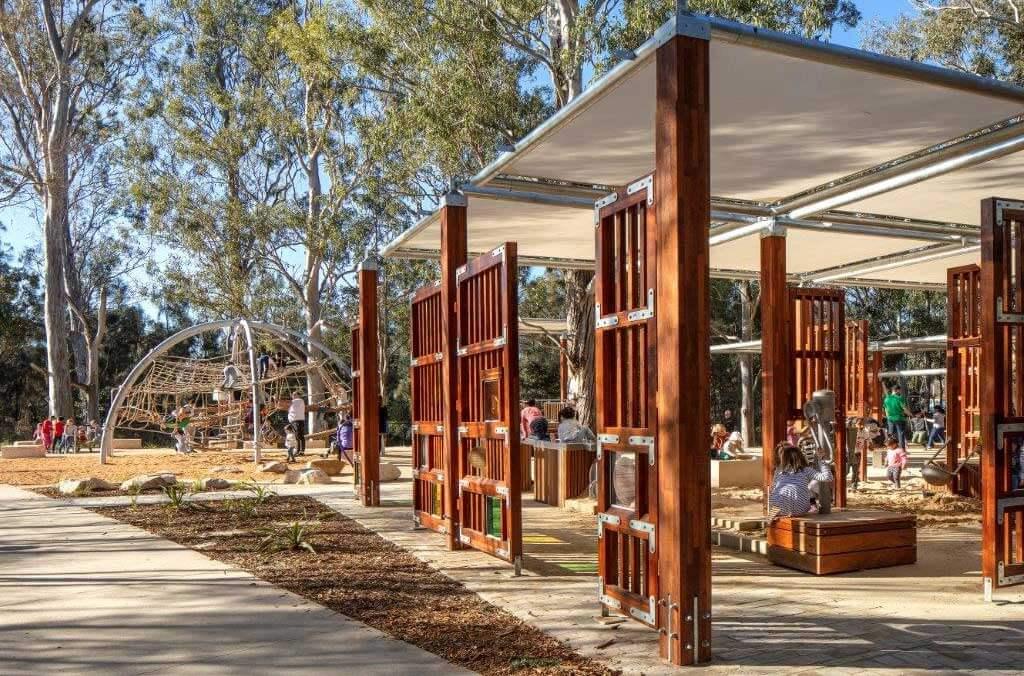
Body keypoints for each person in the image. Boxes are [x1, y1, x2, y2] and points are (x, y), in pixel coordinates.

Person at [768, 442, 833, 517]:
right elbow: (828, 477)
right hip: (800, 508)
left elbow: (774, 487)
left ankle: (771, 517)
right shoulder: (805, 470)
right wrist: (821, 460)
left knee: (776, 496)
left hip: (780, 507)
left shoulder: (780, 470)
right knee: (788, 493)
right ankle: (785, 510)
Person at [883, 385, 911, 450]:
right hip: (899, 418)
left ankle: (891, 448)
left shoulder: (887, 398)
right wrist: (911, 414)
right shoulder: (900, 398)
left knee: (891, 434)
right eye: (899, 390)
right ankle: (901, 449)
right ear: (897, 390)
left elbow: (886, 409)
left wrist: (888, 417)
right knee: (900, 434)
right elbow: (904, 409)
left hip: (890, 419)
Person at [287, 391, 306, 456]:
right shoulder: (294, 402)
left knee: (299, 436)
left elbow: (287, 403)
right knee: (297, 437)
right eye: (293, 394)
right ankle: (298, 450)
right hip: (295, 421)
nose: (293, 395)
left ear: (298, 395)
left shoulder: (299, 400)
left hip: (297, 421)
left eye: (294, 394)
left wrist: (276, 399)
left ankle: (301, 451)